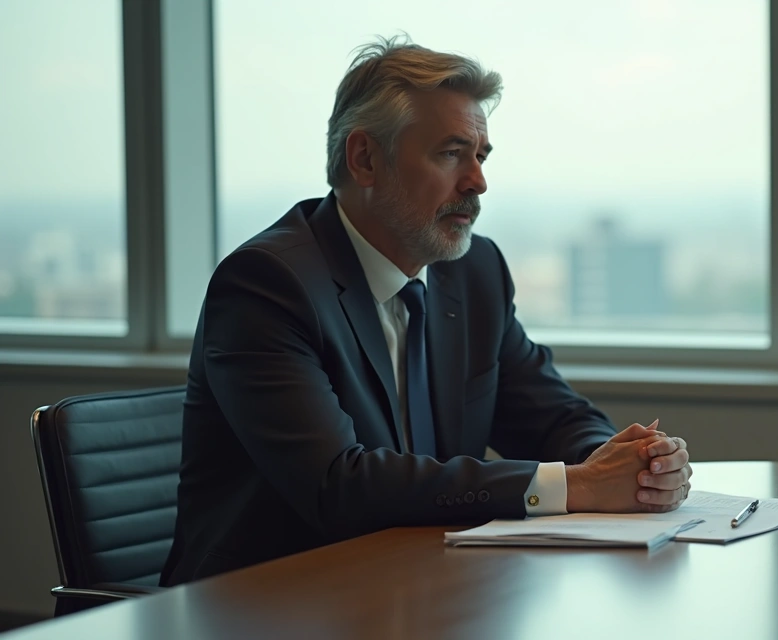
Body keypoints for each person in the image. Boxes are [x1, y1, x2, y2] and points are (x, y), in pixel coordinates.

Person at [159, 35, 693, 586]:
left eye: (480, 156)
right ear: (365, 158)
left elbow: (549, 414)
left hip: (415, 588)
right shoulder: (267, 285)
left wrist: (632, 464)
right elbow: (340, 485)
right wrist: (576, 485)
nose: (478, 182)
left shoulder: (473, 271)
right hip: (264, 604)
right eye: (450, 153)